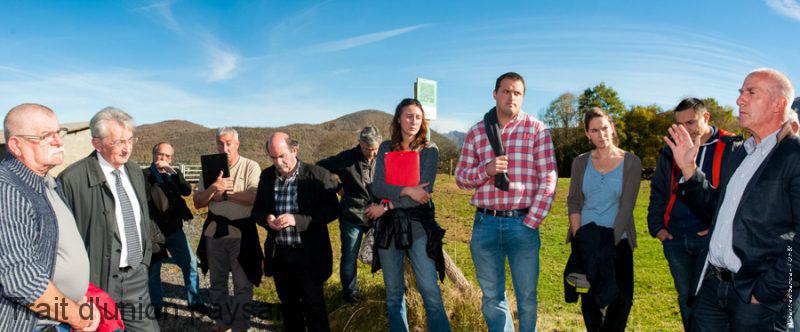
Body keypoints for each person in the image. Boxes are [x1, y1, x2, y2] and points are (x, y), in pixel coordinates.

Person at [665, 68, 799, 331]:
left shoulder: (794, 155)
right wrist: (690, 172)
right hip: (713, 287)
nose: (739, 100)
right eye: (740, 92)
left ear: (778, 104)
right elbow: (717, 210)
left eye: (751, 92)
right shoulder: (740, 152)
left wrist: (766, 291)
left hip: (756, 299)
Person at [455, 72, 558, 332]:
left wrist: (531, 221)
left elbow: (549, 178)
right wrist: (486, 170)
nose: (511, 97)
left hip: (522, 223)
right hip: (485, 223)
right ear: (495, 94)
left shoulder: (537, 129)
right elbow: (461, 178)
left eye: (517, 92)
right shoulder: (477, 132)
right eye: (506, 91)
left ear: (522, 97)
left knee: (527, 298)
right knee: (491, 297)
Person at [58, 107, 159, 331]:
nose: (126, 148)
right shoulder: (72, 180)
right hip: (98, 285)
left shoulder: (134, 171)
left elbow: (142, 218)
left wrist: (144, 261)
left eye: (130, 140)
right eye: (118, 142)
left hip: (136, 277)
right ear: (97, 143)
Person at [0, 104, 99, 331]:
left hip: (58, 315)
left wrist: (76, 299)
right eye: (46, 136)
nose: (58, 141)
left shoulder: (48, 182)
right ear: (16, 145)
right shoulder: (8, 190)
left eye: (58, 132)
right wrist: (76, 316)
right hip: (30, 323)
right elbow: (21, 279)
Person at [646, 98, 735, 329]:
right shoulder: (670, 151)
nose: (686, 129)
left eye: (691, 122)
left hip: (710, 239)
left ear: (706, 118)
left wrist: (716, 227)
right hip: (675, 237)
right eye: (680, 124)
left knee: (710, 302)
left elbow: (733, 196)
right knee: (686, 299)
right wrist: (657, 226)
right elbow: (658, 189)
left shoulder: (732, 146)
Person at [369, 98, 450, 332]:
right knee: (394, 293)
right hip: (388, 228)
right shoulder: (386, 147)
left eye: (417, 116)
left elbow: (423, 195)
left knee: (430, 291)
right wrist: (407, 189)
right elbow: (378, 187)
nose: (413, 121)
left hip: (417, 224)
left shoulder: (429, 149)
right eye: (408, 116)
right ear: (398, 118)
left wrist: (385, 207)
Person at [252, 132, 339, 332]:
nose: (278, 162)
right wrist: (267, 219)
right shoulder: (267, 176)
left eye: (282, 156)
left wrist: (297, 220)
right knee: (290, 310)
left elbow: (332, 210)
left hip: (309, 255)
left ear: (294, 150)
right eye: (273, 157)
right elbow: (257, 210)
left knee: (314, 309)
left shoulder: (317, 174)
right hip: (280, 255)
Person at [566, 107, 642, 331]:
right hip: (586, 240)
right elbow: (574, 202)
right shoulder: (580, 162)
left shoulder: (631, 162)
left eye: (605, 128)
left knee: (622, 299)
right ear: (587, 134)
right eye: (595, 130)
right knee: (590, 303)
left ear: (612, 127)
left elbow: (627, 207)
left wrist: (608, 242)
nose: (602, 134)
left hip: (618, 240)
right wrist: (580, 240)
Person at [193, 127, 263, 332]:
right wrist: (214, 187)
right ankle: (222, 323)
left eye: (229, 143)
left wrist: (224, 194)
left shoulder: (251, 166)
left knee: (243, 283)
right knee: (217, 282)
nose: (224, 148)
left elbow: (253, 197)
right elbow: (198, 202)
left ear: (237, 144)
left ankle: (241, 325)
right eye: (220, 143)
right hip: (214, 233)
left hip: (242, 234)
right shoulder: (209, 168)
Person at [316, 126, 382, 303]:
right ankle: (350, 294)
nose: (373, 153)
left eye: (375, 149)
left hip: (378, 216)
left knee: (387, 254)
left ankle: (392, 290)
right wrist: (337, 187)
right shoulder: (345, 158)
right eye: (368, 149)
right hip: (352, 216)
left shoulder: (384, 155)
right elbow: (320, 168)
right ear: (360, 144)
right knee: (349, 256)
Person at [144, 142, 206, 317]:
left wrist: (172, 172)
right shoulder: (144, 175)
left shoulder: (172, 176)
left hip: (174, 230)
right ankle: (156, 305)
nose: (163, 159)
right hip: (153, 233)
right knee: (153, 271)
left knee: (191, 264)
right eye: (160, 155)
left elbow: (186, 190)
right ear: (153, 154)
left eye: (168, 156)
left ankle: (195, 302)